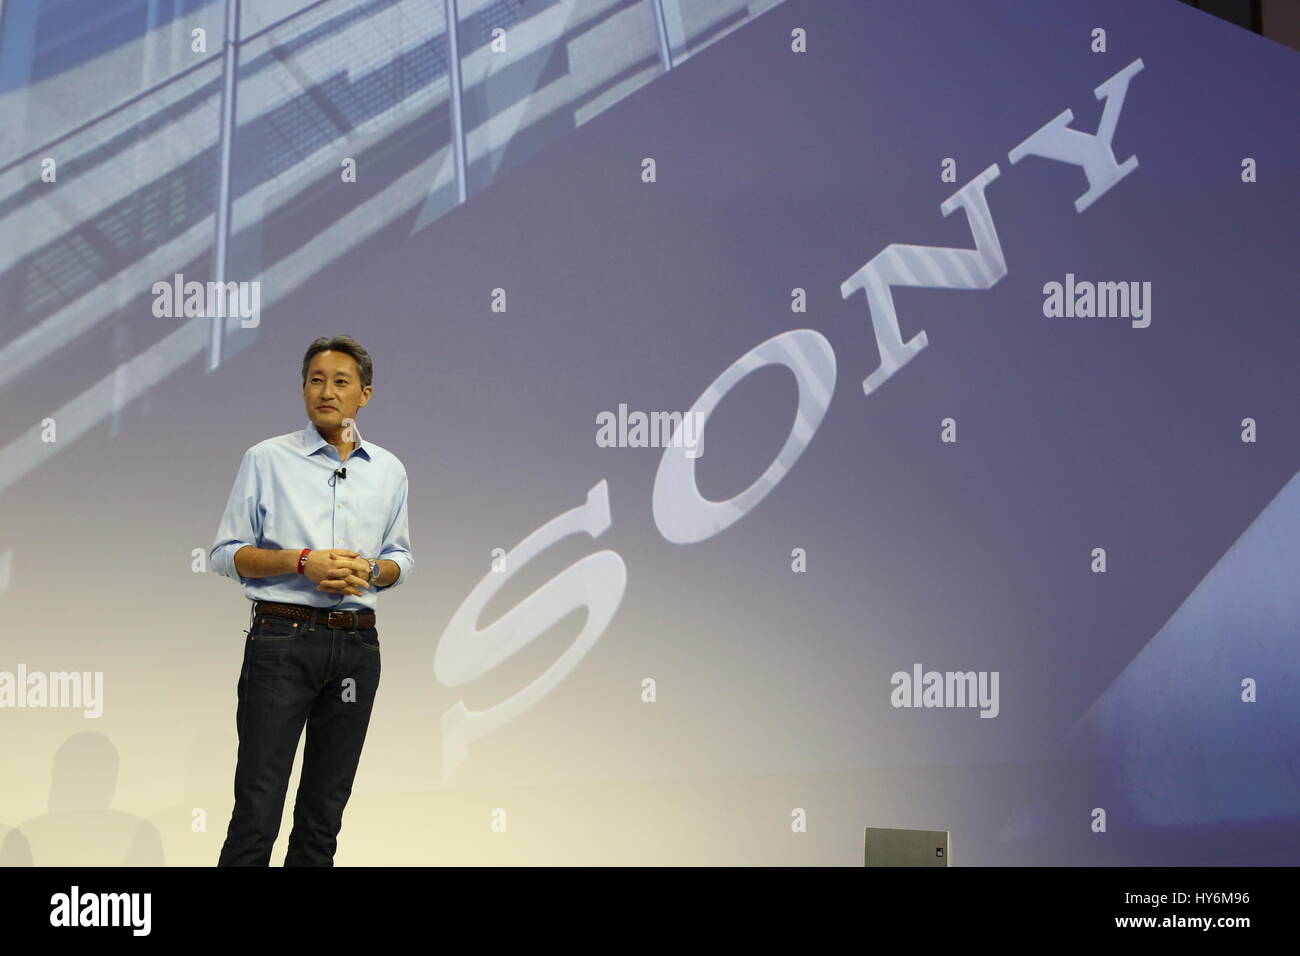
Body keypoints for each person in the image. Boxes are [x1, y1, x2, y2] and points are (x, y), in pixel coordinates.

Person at [209, 334, 413, 866]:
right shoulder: (266, 459)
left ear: (365, 394)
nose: (327, 391)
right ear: (303, 389)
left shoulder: (389, 470)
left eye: (341, 382)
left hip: (356, 648)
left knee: (323, 819)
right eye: (316, 380)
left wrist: (372, 570)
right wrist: (301, 561)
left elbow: (401, 559)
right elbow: (226, 553)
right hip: (282, 641)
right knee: (256, 815)